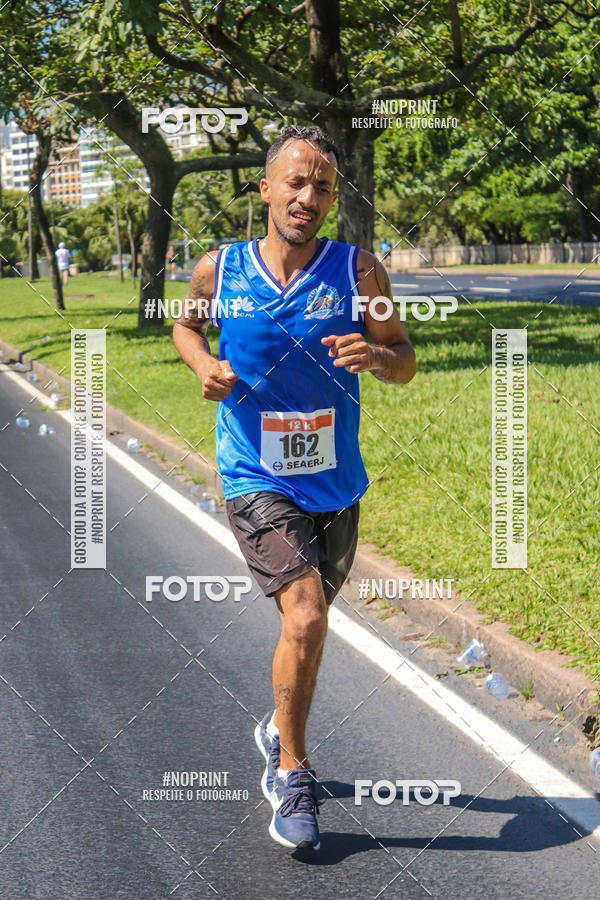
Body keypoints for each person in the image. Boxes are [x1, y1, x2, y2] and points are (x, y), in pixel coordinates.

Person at [172, 124, 416, 853]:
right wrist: (200, 366)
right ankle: (294, 771)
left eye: (323, 187)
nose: (308, 197)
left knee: (305, 634)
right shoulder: (220, 270)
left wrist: (375, 354)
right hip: (254, 474)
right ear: (266, 189)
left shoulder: (359, 271)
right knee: (305, 618)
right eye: (296, 182)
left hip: (335, 483)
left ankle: (279, 726)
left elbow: (405, 359)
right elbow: (186, 328)